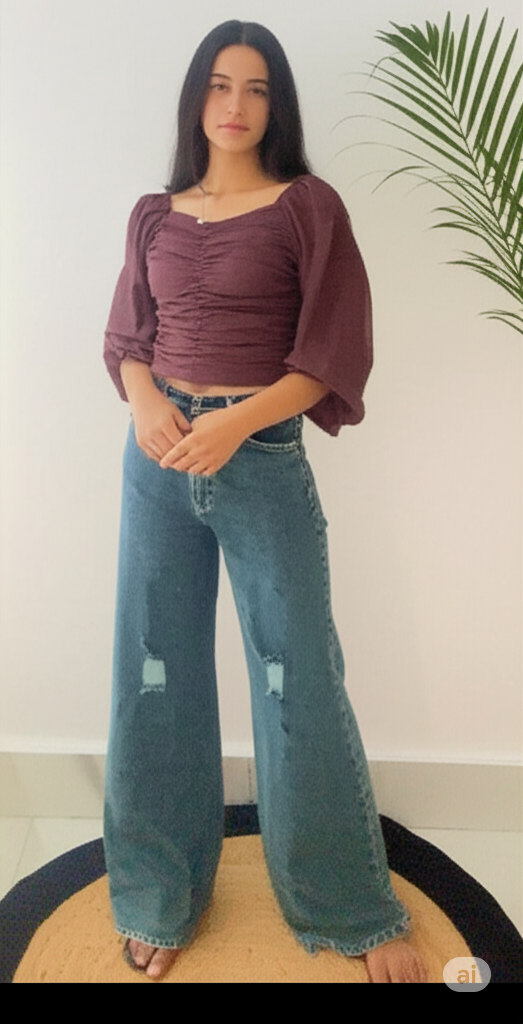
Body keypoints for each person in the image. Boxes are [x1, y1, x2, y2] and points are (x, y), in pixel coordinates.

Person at [103, 20, 427, 982]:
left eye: (255, 88)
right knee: (153, 674)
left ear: (276, 105)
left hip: (262, 459)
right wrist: (149, 401)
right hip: (156, 463)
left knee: (297, 679)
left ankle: (346, 904)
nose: (235, 105)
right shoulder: (153, 214)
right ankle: (158, 895)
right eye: (218, 85)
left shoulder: (306, 207)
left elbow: (332, 351)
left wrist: (234, 423)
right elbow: (127, 340)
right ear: (195, 99)